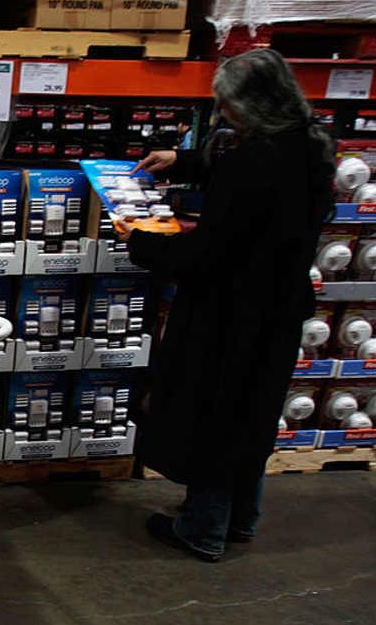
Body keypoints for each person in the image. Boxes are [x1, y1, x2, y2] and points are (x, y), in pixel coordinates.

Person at [122, 49, 335, 562]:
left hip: (231, 316)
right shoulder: (311, 145)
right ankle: (241, 519)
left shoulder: (253, 164)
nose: (222, 113)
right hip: (280, 311)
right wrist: (185, 161)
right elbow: (249, 181)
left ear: (253, 106)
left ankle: (202, 528)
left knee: (217, 417)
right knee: (254, 416)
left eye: (228, 105)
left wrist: (141, 242)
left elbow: (208, 252)